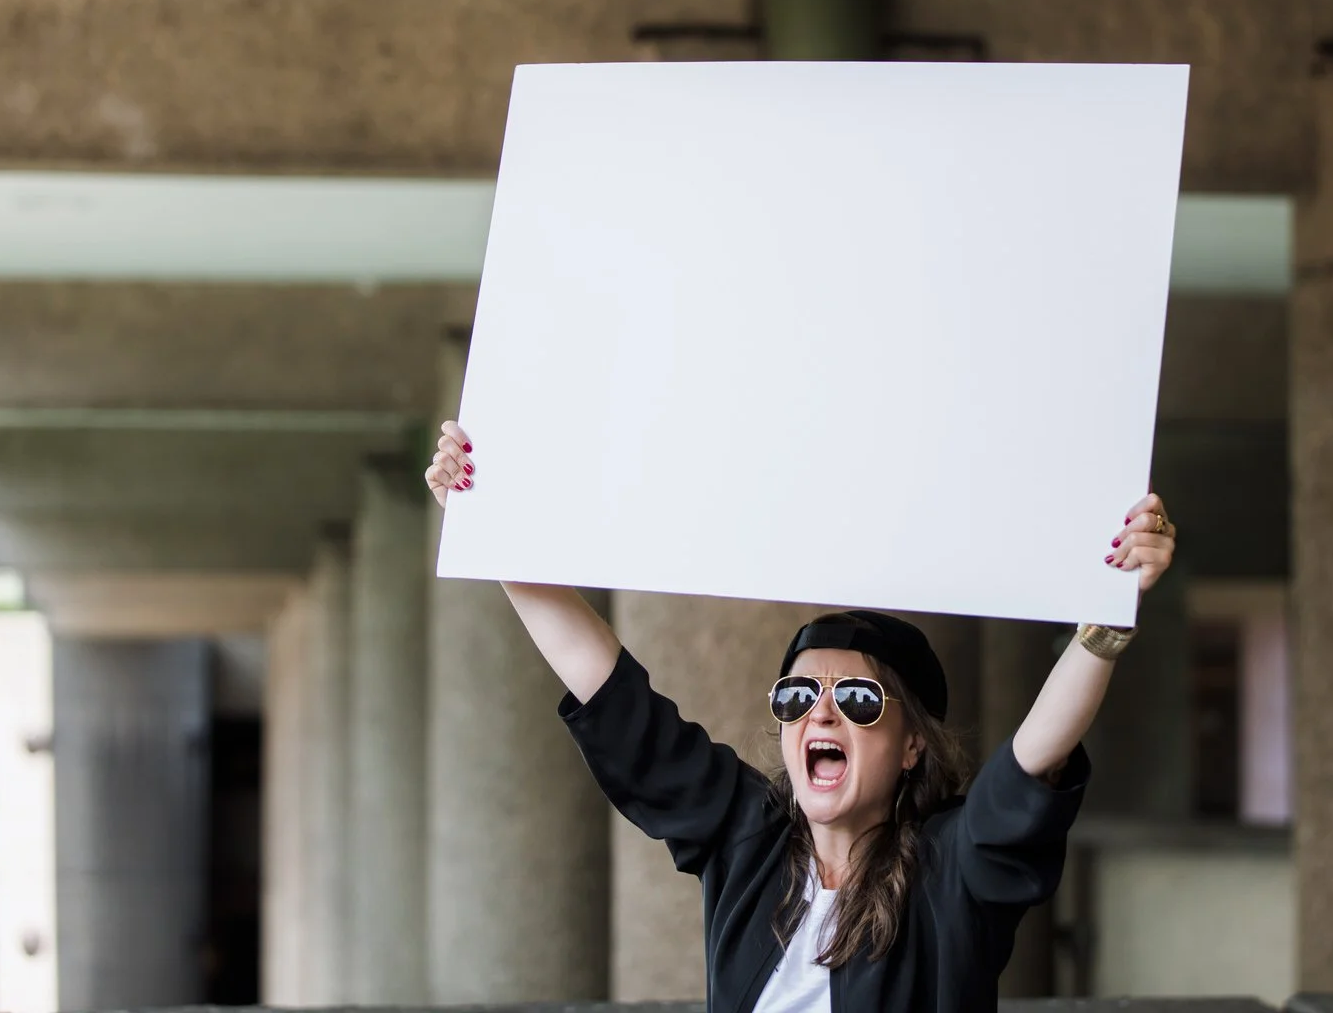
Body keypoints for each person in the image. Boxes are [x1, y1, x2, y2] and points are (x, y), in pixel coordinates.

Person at [425, 419, 1176, 1013]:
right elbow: (610, 691)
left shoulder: (949, 869)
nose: (820, 713)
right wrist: (489, 526)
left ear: (912, 746)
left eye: (857, 700)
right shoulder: (747, 840)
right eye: (797, 696)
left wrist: (1106, 620)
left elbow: (1033, 759)